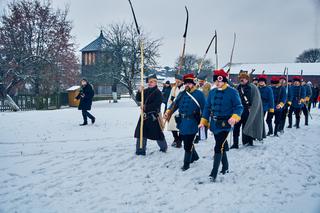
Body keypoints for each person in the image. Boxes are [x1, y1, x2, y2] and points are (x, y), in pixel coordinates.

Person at [199, 69, 243, 182]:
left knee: (218, 147)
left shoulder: (232, 92)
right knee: (221, 145)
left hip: (225, 124)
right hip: (214, 124)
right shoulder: (212, 92)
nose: (217, 83)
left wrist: (234, 117)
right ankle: (226, 167)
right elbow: (207, 107)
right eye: (215, 81)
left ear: (224, 81)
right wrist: (203, 120)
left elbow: (239, 107)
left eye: (220, 81)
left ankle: (213, 173)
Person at [164, 73, 205, 171]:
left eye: (189, 84)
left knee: (187, 143)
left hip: (192, 122)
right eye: (186, 83)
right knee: (186, 140)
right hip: (182, 122)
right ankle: (194, 156)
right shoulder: (182, 93)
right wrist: (168, 111)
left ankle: (186, 163)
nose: (187, 85)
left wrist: (204, 121)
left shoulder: (199, 94)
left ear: (193, 84)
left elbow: (205, 108)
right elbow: (174, 104)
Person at [134, 74, 168, 155]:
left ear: (156, 82)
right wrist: (139, 91)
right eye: (149, 82)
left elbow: (156, 105)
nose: (150, 83)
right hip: (144, 116)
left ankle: (163, 147)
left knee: (158, 134)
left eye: (152, 82)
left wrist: (145, 107)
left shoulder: (158, 93)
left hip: (153, 117)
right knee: (141, 133)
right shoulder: (145, 91)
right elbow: (138, 98)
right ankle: (140, 150)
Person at [230, 71, 265, 148]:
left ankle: (248, 142)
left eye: (244, 78)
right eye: (241, 78)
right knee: (236, 127)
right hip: (238, 111)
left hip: (248, 111)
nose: (242, 80)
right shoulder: (238, 87)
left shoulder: (252, 87)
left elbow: (256, 100)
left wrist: (252, 109)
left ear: (247, 79)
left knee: (248, 126)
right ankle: (235, 144)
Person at [166, 74, 184, 148]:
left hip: (182, 110)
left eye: (179, 81)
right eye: (176, 80)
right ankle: (176, 139)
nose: (177, 82)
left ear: (182, 81)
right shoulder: (173, 88)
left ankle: (179, 141)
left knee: (181, 127)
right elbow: (170, 99)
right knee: (172, 126)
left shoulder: (185, 88)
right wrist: (169, 109)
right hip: (173, 109)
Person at [194, 72, 212, 143]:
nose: (200, 82)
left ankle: (203, 135)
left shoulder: (208, 86)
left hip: (205, 107)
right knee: (197, 121)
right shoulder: (197, 86)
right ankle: (198, 135)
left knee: (204, 121)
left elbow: (207, 96)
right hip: (197, 107)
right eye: (199, 81)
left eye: (202, 81)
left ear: (204, 80)